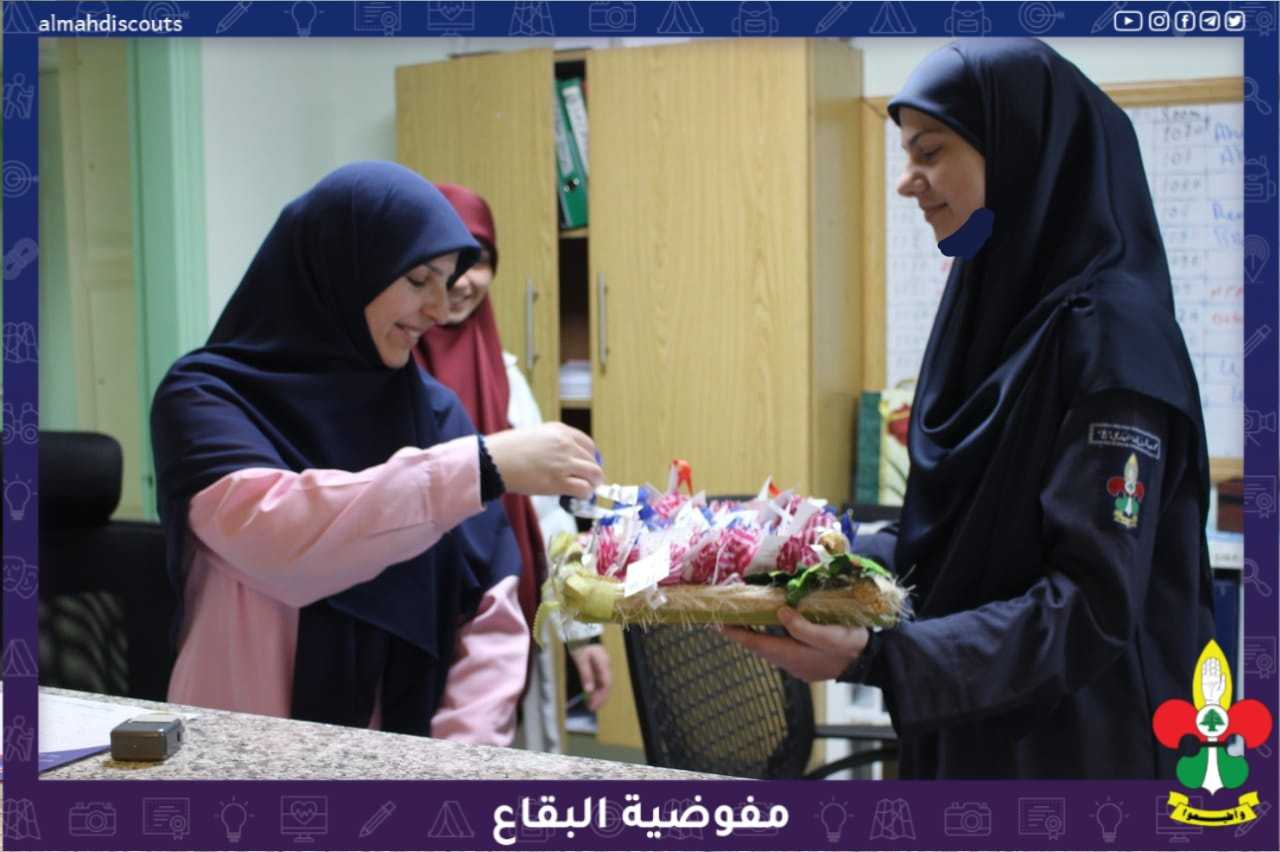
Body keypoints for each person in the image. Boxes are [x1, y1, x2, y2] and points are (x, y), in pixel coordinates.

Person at [727, 38, 1215, 779]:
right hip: (972, 732)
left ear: (1019, 153)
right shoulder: (992, 312)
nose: (906, 183)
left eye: (929, 151)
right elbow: (957, 546)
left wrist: (878, 657)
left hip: (1079, 758)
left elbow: (1090, 609)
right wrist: (812, 548)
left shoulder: (1114, 338)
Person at [151, 162, 603, 745]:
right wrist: (479, 468)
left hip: (398, 765)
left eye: (448, 281)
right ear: (344, 265)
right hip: (240, 754)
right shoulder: (205, 396)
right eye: (418, 279)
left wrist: (452, 766)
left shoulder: (434, 413)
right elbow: (278, 538)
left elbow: (490, 610)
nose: (438, 308)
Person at [414, 183, 612, 753]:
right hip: (419, 625)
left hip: (508, 615)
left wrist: (582, 634)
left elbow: (545, 515)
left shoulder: (506, 377)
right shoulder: (386, 374)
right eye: (444, 264)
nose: (463, 281)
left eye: (479, 261)